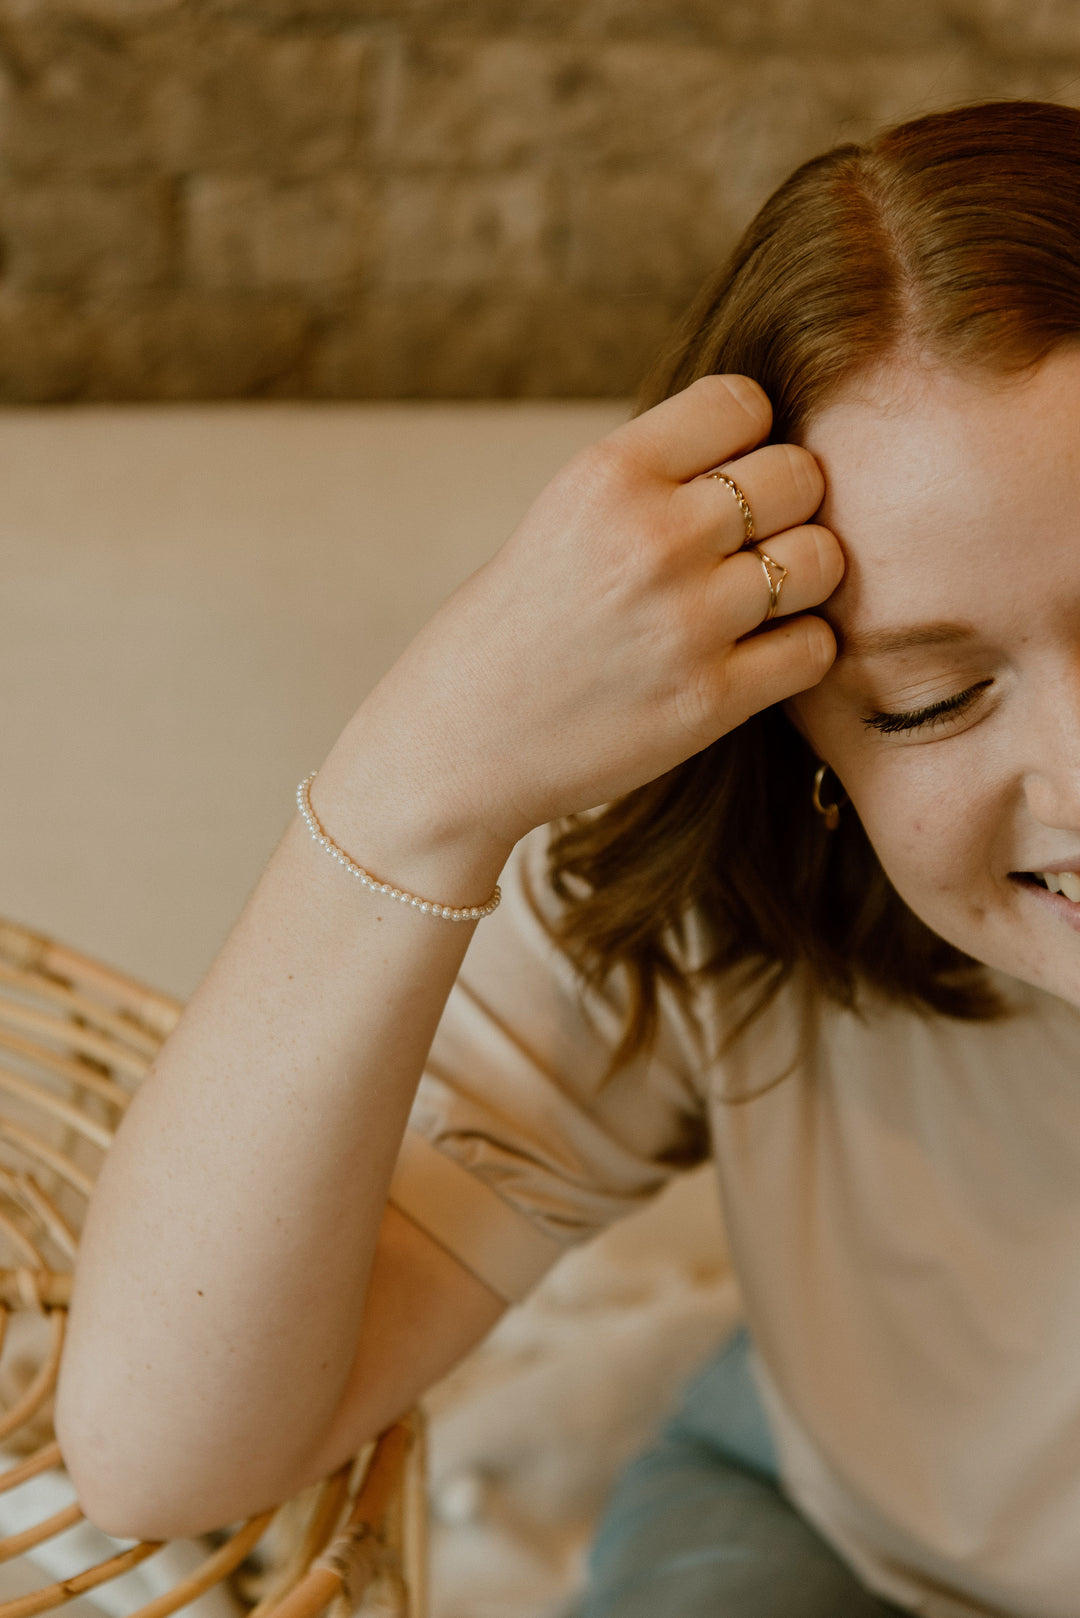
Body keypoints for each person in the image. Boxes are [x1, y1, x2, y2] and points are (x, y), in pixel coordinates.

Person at [53, 96, 1080, 1616]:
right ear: (803, 742)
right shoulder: (723, 909)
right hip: (862, 1539)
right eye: (930, 701)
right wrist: (421, 774)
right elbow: (161, 1454)